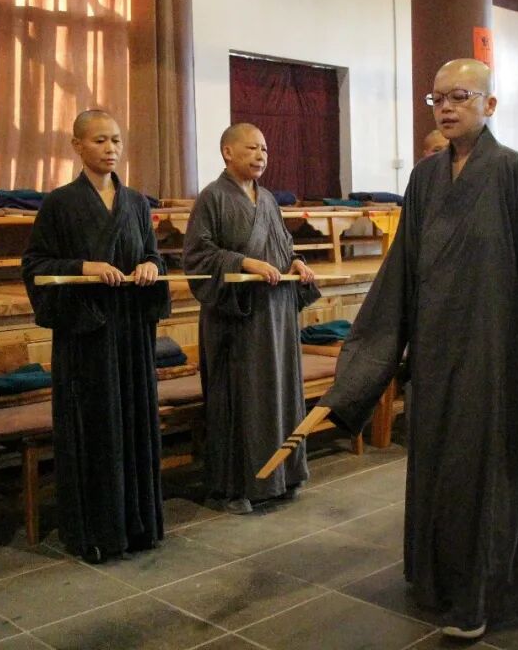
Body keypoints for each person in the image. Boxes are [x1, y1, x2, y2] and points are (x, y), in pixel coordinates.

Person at [318, 60, 518, 639]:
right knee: (438, 469)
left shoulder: (513, 174)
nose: (446, 108)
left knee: (485, 473)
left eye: (460, 97)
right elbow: (399, 275)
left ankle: (479, 597)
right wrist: (362, 373)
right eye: (437, 99)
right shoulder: (425, 179)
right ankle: (437, 582)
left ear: (489, 105)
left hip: (495, 355)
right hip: (436, 354)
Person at [22, 109, 169, 563]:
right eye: (101, 140)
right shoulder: (60, 204)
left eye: (117, 141)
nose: (110, 149)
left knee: (134, 422)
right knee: (95, 427)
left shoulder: (137, 203)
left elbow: (153, 257)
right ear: (77, 145)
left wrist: (150, 267)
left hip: (130, 333)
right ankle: (95, 531)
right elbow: (36, 267)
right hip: (86, 335)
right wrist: (84, 268)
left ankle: (139, 526)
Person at [183, 123, 319, 515]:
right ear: (227, 152)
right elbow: (195, 257)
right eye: (252, 148)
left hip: (276, 317)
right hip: (237, 318)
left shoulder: (270, 200)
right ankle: (235, 488)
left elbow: (283, 245)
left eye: (265, 149)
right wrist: (243, 262)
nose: (261, 155)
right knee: (240, 399)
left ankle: (285, 475)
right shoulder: (212, 198)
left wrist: (296, 262)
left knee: (281, 395)